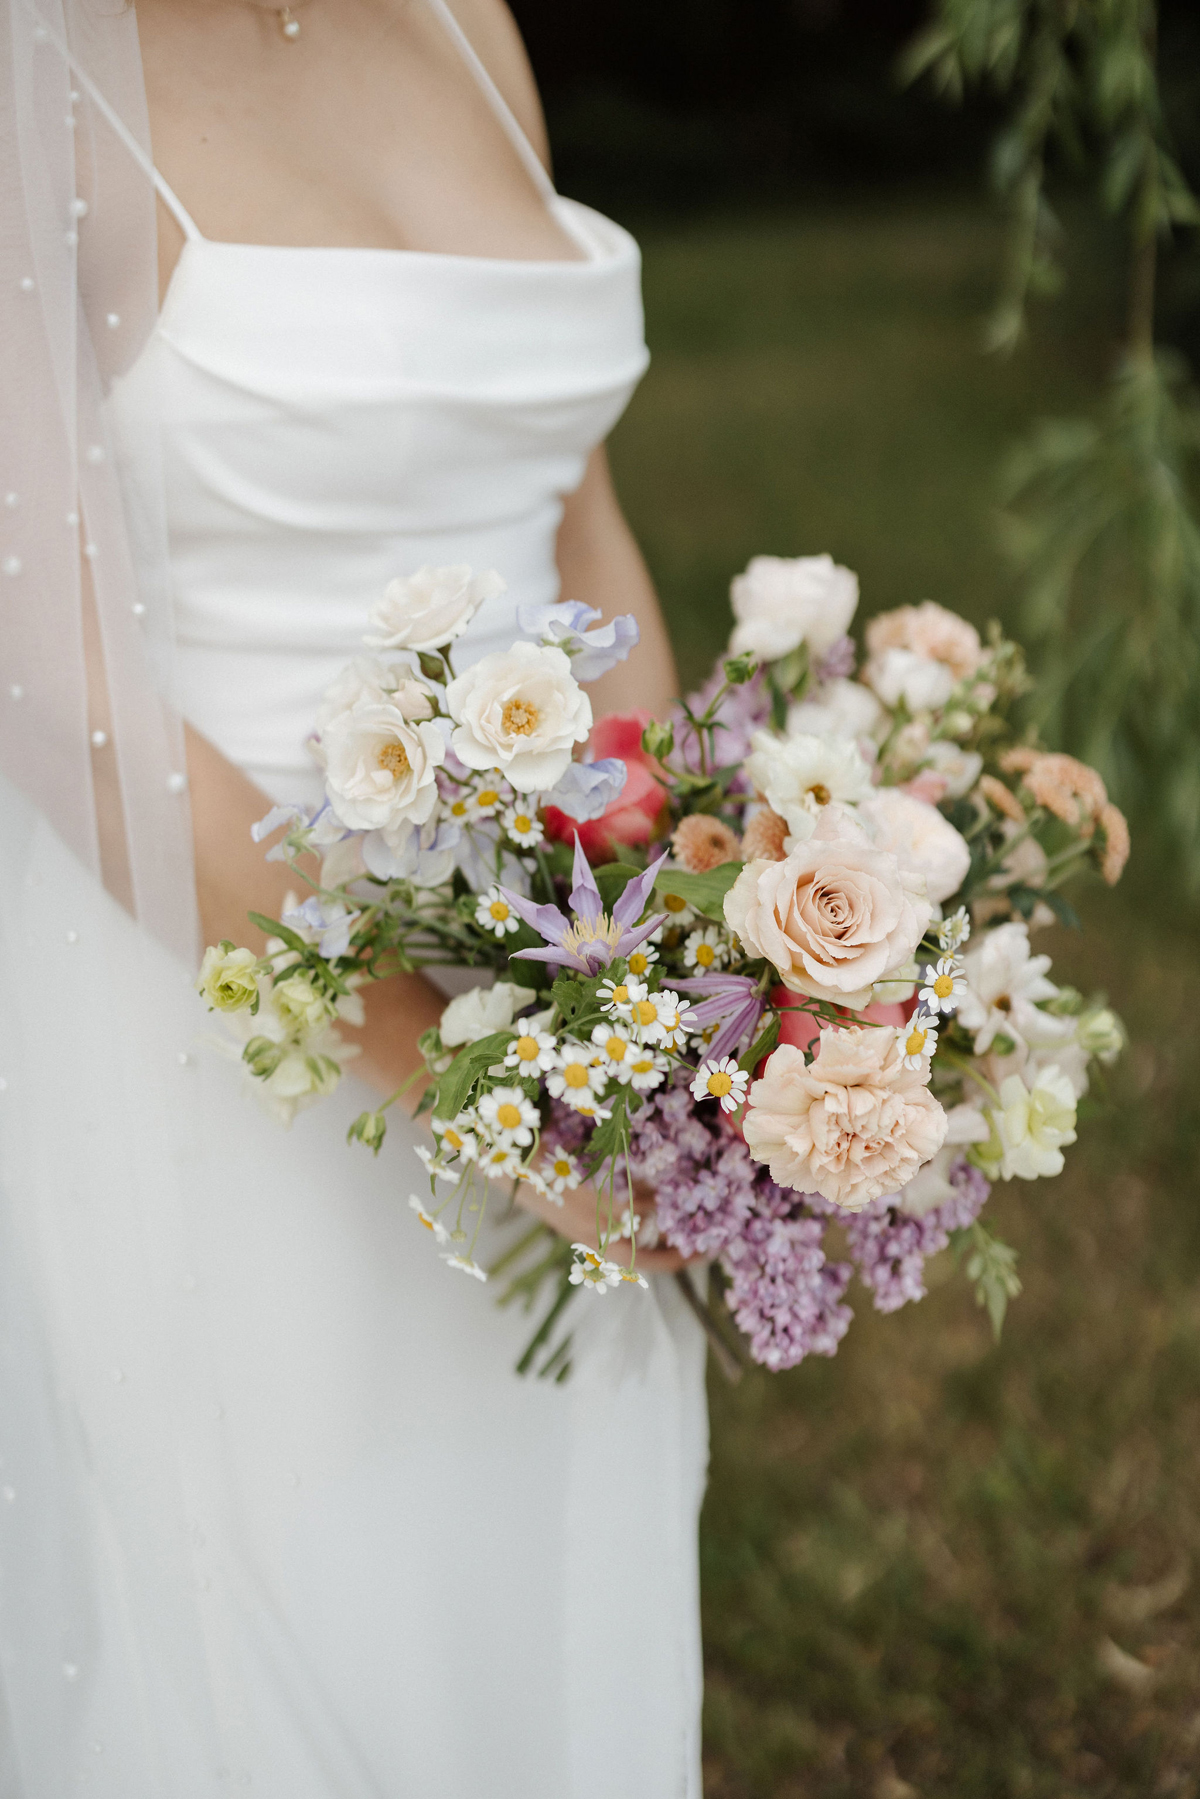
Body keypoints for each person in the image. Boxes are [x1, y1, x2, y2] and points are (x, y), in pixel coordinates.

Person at [0, 2, 708, 1793]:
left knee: (538, 1597)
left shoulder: (468, 20)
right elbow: (67, 691)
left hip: (564, 997)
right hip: (226, 1022)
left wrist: (691, 963)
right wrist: (459, 1069)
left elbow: (576, 519)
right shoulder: (39, 74)